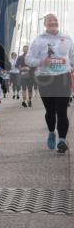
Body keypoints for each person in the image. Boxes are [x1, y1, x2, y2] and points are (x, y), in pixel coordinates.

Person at [25, 13, 73, 153]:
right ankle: (52, 132)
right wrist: (41, 61)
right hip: (45, 78)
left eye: (55, 20)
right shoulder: (38, 40)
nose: (53, 22)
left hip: (63, 77)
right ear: (45, 24)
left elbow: (73, 57)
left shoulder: (67, 38)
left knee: (62, 110)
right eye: (50, 20)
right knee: (50, 111)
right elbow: (29, 59)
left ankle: (62, 140)